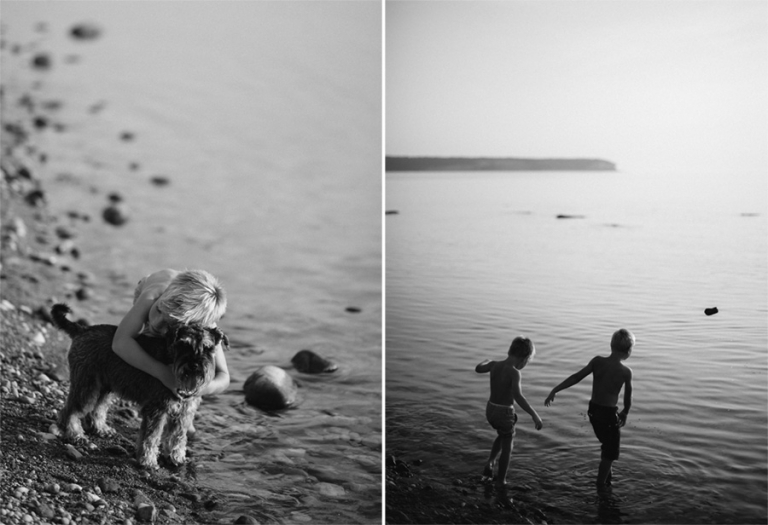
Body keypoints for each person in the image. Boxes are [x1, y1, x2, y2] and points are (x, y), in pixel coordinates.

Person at [112, 268, 230, 397]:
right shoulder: (152, 296)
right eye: (159, 310)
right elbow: (120, 342)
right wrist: (162, 373)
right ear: (163, 299)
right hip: (152, 283)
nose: (157, 323)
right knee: (144, 345)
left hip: (184, 297)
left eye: (170, 325)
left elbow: (224, 377)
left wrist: (197, 389)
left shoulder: (205, 323)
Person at [544, 329, 635, 488]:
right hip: (608, 414)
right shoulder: (626, 372)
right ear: (629, 352)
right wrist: (625, 412)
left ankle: (607, 480)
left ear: (611, 345)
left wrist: (555, 389)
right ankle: (601, 487)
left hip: (593, 411)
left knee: (607, 448)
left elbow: (576, 377)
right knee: (610, 453)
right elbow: (628, 396)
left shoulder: (597, 361)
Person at [476, 336, 543, 508]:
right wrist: (534, 414)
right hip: (504, 412)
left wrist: (488, 359)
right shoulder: (515, 372)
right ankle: (501, 481)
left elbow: (478, 368)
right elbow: (518, 397)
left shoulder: (494, 365)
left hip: (490, 410)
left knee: (503, 434)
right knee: (509, 444)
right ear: (524, 359)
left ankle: (490, 462)